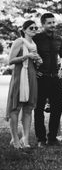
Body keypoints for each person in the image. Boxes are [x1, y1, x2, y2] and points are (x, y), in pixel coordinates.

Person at [33, 13, 62, 147]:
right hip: (41, 79)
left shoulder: (58, 39)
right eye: (49, 23)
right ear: (43, 24)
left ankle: (52, 137)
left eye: (54, 22)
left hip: (55, 78)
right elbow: (30, 55)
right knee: (39, 109)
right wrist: (35, 72)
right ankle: (41, 139)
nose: (52, 25)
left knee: (57, 108)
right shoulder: (36, 39)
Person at [6, 20, 41, 149]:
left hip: (31, 77)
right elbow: (10, 61)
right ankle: (14, 139)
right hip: (20, 77)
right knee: (16, 108)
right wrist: (26, 57)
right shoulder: (19, 41)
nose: (34, 29)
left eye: (36, 28)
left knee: (28, 108)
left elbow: (34, 61)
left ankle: (25, 139)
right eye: (31, 27)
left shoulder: (34, 44)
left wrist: (38, 60)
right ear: (24, 29)